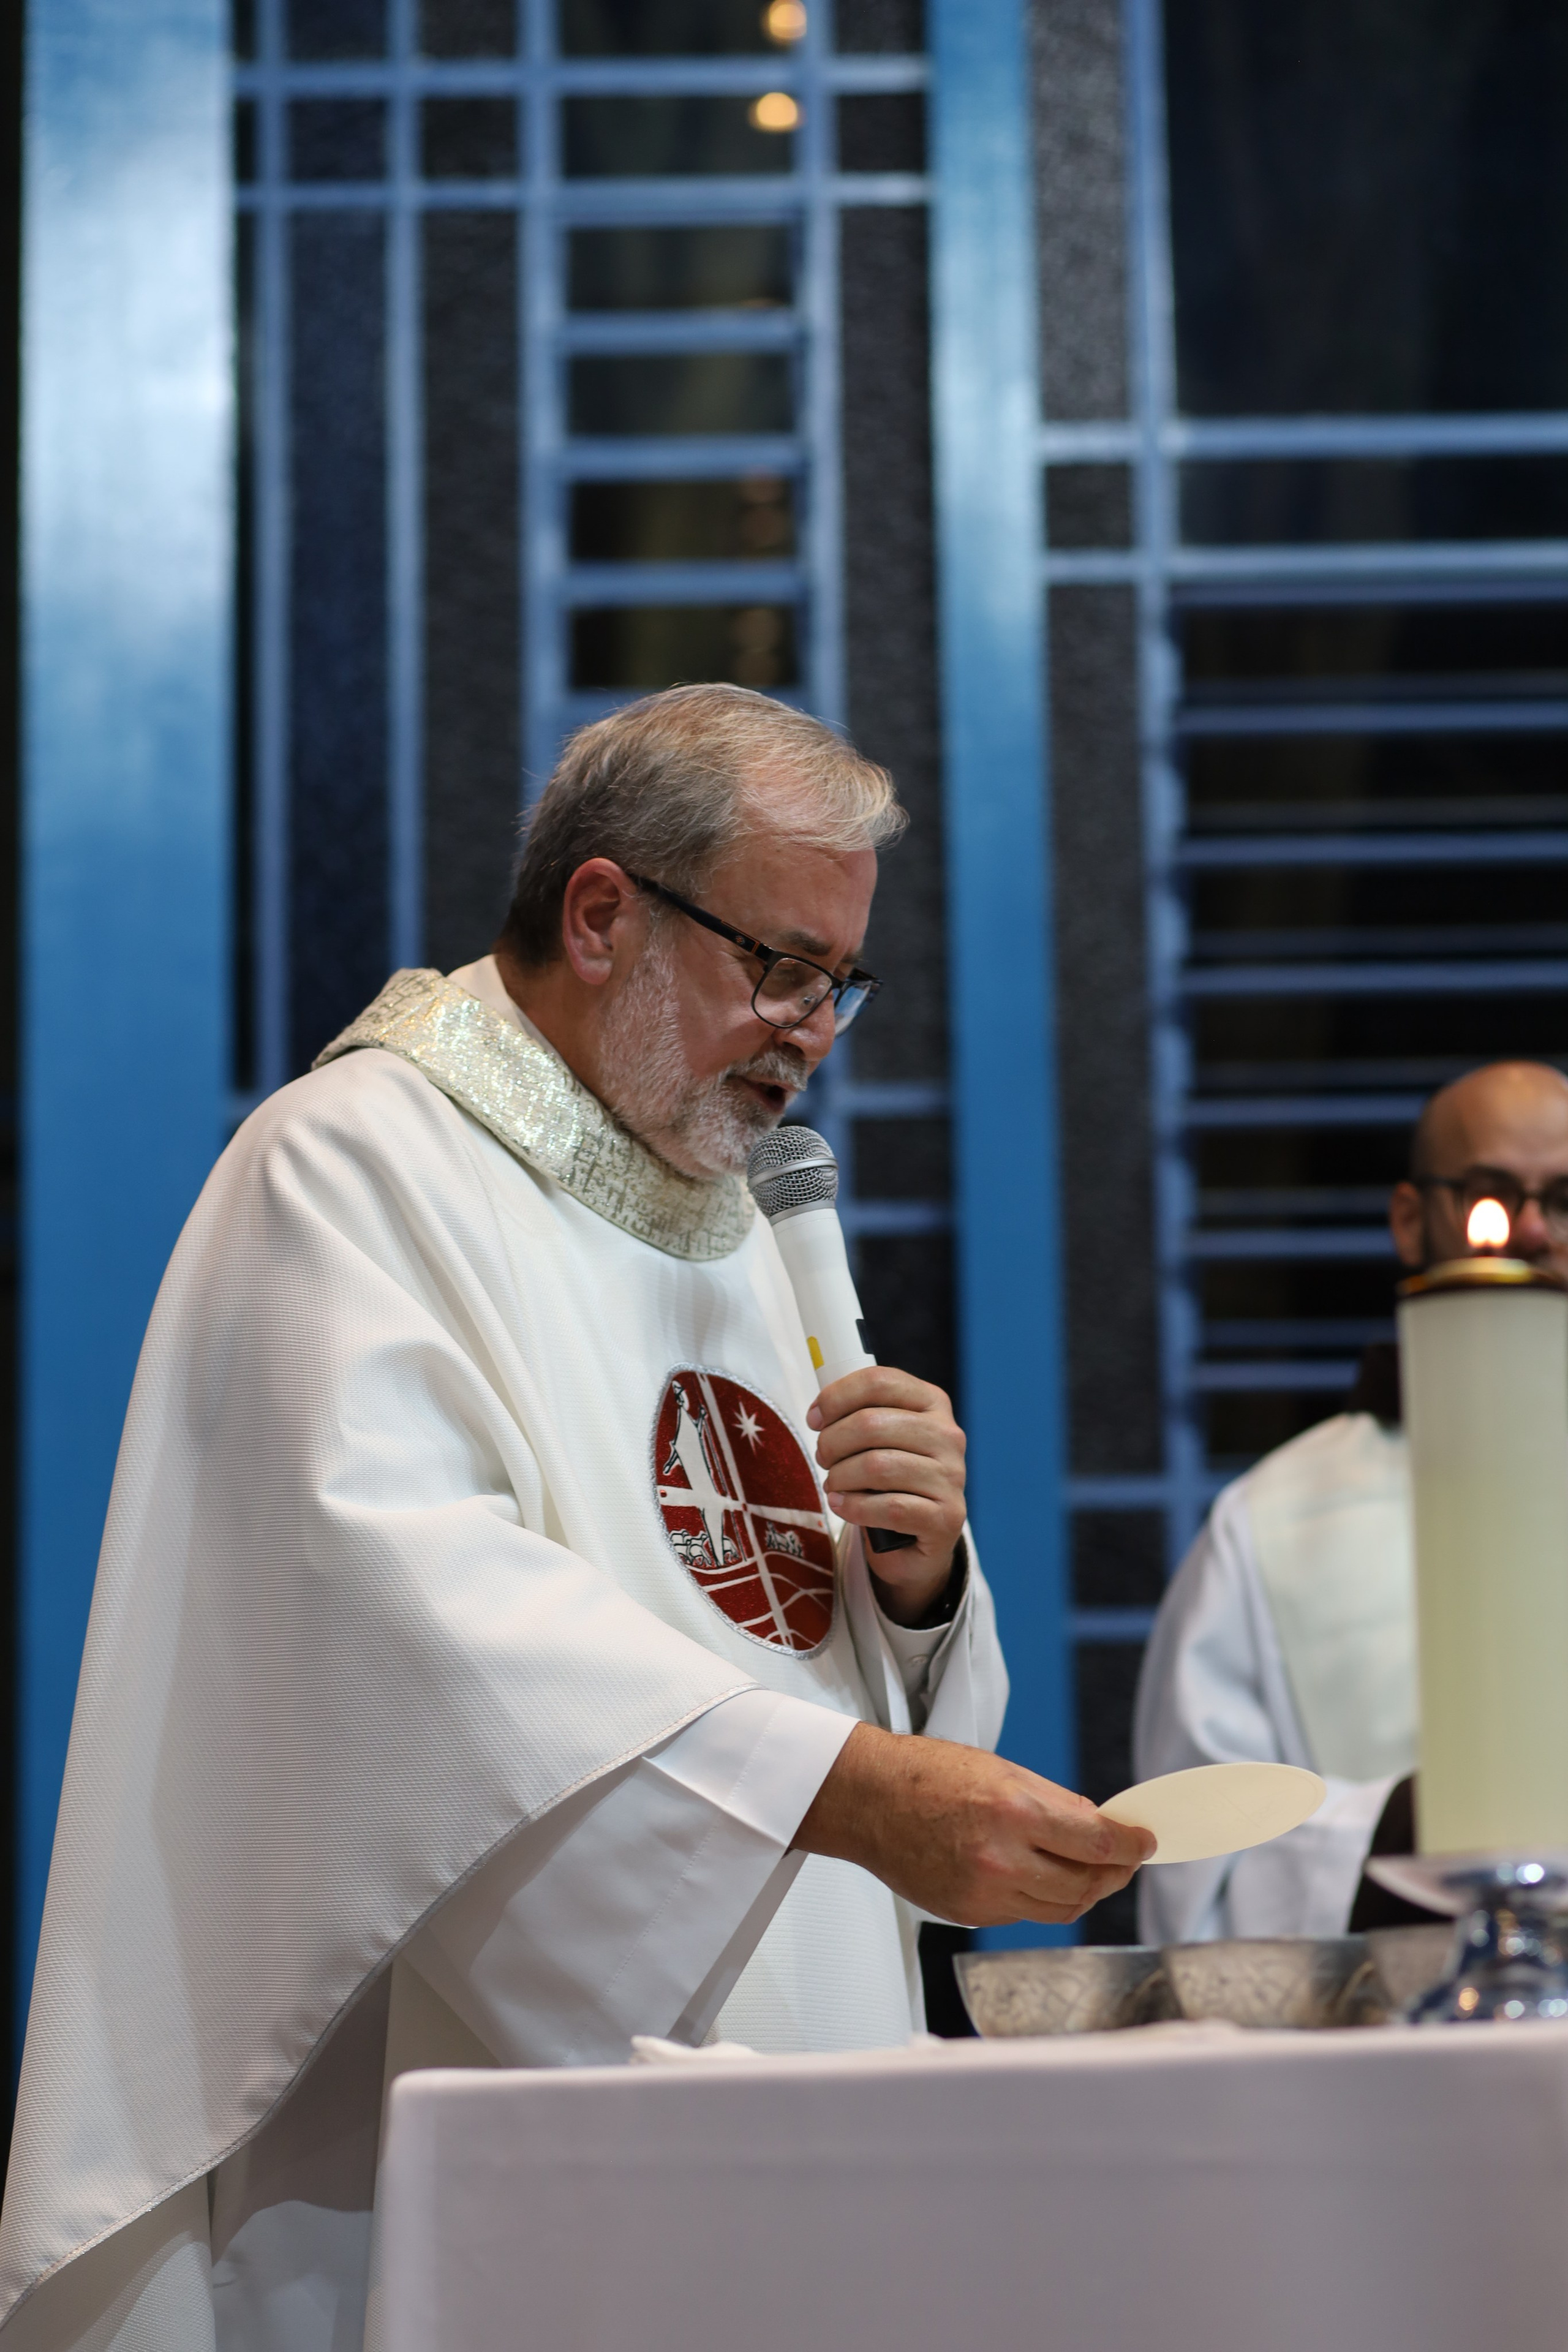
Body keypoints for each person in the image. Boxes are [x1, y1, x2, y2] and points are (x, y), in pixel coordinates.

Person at [0, 686, 1151, 2352]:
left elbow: (774, 1636)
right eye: (779, 966)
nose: (812, 1028)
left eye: (841, 982)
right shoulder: (348, 1171)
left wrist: (911, 1587)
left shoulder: (736, 1220)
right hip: (457, 2142)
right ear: (603, 912)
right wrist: (846, 1786)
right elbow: (406, 1629)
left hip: (800, 2090)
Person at [1134, 1058, 1568, 1948]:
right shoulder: (1273, 1525)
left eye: (1563, 1198)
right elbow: (1199, 1882)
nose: (1530, 1230)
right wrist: (1422, 1832)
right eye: (1491, 1195)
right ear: (1410, 1220)